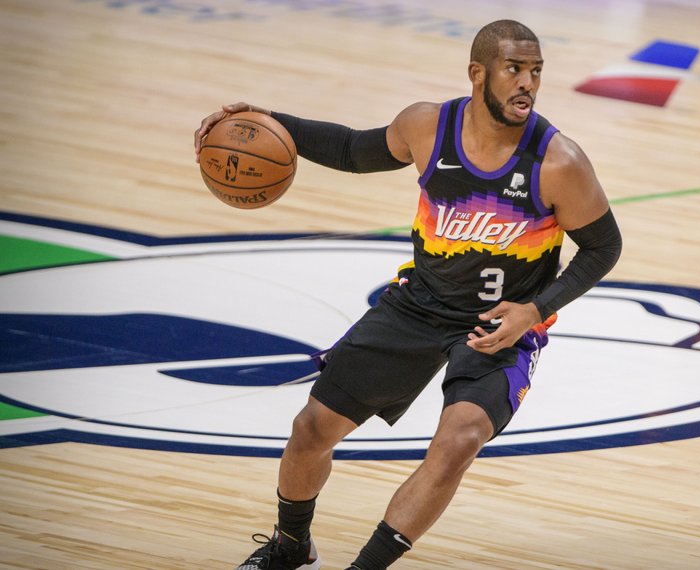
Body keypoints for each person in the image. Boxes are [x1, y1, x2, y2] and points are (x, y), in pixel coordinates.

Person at [194, 19, 621, 570]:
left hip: (497, 326)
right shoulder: (427, 126)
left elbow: (603, 247)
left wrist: (534, 311)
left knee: (459, 441)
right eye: (514, 69)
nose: (527, 84)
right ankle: (291, 546)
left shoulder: (558, 161)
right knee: (311, 428)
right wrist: (264, 122)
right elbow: (352, 149)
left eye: (535, 71)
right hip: (419, 303)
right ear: (478, 74)